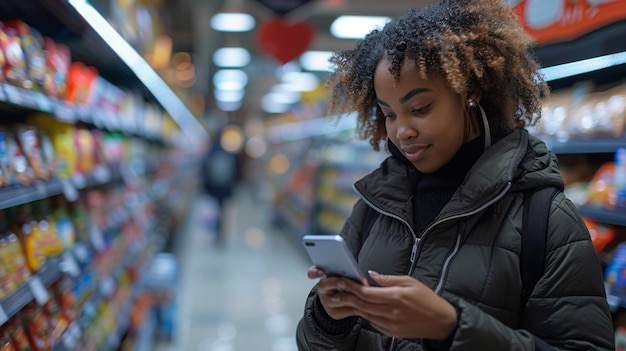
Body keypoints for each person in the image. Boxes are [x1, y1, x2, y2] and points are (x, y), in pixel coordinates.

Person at [295, 0, 615, 350]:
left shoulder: (545, 218)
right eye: (389, 115)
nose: (402, 131)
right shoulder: (375, 207)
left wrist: (452, 326)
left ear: (470, 92)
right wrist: (327, 318)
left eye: (420, 109)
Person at [201, 130, 241, 242]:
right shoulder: (229, 153)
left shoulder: (210, 153)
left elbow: (205, 170)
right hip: (225, 186)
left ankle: (216, 228)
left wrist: (205, 187)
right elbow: (235, 172)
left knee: (215, 207)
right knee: (224, 208)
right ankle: (222, 229)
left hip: (214, 186)